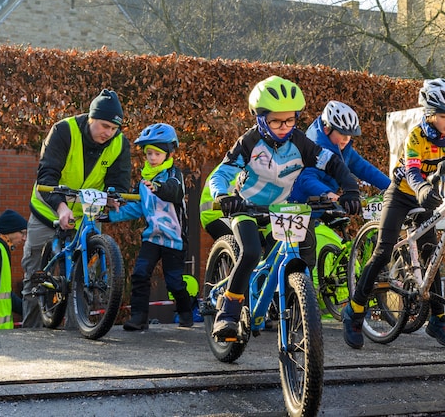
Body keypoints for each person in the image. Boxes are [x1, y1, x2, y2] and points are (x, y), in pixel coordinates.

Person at [343, 78, 445, 350]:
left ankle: (439, 321)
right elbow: (411, 170)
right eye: (443, 115)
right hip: (401, 195)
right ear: (429, 114)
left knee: (432, 254)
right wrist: (420, 186)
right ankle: (354, 311)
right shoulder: (416, 136)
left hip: (427, 197)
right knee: (383, 252)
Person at [208, 76, 362, 339]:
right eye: (276, 121)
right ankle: (228, 313)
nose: (284, 127)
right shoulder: (249, 142)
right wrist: (223, 195)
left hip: (283, 210)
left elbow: (334, 164)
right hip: (248, 208)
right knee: (251, 253)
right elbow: (221, 174)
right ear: (261, 118)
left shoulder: (301, 142)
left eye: (290, 120)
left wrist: (350, 190)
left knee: (304, 254)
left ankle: (295, 305)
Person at [21, 89, 132, 327]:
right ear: (91, 118)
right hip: (48, 210)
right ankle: (29, 334)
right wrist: (61, 208)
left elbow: (119, 182)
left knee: (83, 279)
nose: (108, 133)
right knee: (34, 278)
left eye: (113, 129)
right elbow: (46, 177)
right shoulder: (63, 131)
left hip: (86, 217)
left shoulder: (119, 143)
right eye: (104, 126)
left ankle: (78, 332)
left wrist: (115, 199)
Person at [108, 123, 192, 330]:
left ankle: (186, 311)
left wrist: (158, 187)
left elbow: (174, 192)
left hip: (174, 238)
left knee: (174, 282)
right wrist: (110, 215)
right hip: (152, 237)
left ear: (168, 154)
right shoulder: (144, 180)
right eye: (149, 154)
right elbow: (139, 208)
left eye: (157, 154)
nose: (152, 158)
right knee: (139, 274)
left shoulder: (174, 175)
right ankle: (139, 318)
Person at [288, 100, 391, 202]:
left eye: (349, 134)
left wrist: (393, 188)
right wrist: (328, 194)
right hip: (299, 208)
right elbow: (307, 179)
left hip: (323, 206)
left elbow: (365, 169)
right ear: (327, 130)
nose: (346, 139)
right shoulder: (314, 149)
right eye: (342, 134)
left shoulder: (343, 149)